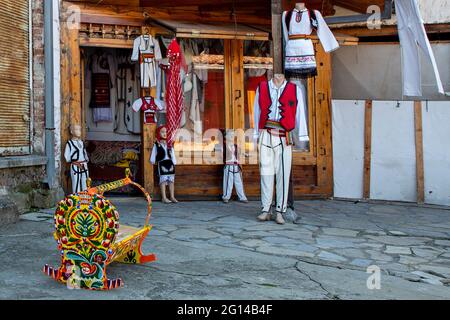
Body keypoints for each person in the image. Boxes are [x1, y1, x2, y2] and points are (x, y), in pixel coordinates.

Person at [253, 74, 309, 224]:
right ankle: (265, 209)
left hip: (284, 136)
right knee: (265, 172)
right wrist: (255, 134)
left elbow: (299, 113)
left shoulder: (294, 89)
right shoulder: (262, 87)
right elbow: (257, 111)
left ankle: (280, 211)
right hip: (265, 133)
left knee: (283, 174)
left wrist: (302, 136)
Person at [150, 125, 178, 203]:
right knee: (163, 180)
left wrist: (174, 161)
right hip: (162, 163)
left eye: (166, 132)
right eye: (162, 132)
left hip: (170, 162)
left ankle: (172, 196)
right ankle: (164, 197)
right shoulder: (157, 144)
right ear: (158, 133)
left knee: (171, 180)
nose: (164, 133)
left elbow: (172, 153)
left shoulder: (170, 143)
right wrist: (152, 160)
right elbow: (154, 152)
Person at [222, 130, 248, 204]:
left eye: (233, 135)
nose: (232, 137)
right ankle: (226, 196)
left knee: (239, 182)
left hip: (236, 165)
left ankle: (242, 197)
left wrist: (244, 154)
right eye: (230, 135)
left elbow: (239, 153)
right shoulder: (223, 145)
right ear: (225, 136)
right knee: (228, 182)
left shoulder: (235, 146)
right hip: (228, 165)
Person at [64, 125, 89, 194]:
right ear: (72, 131)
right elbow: (67, 156)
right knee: (76, 182)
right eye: (76, 130)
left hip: (84, 164)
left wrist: (86, 160)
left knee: (85, 182)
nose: (79, 132)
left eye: (80, 130)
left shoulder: (81, 142)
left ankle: (85, 197)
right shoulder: (70, 144)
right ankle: (77, 197)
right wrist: (72, 161)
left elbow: (84, 152)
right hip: (75, 165)